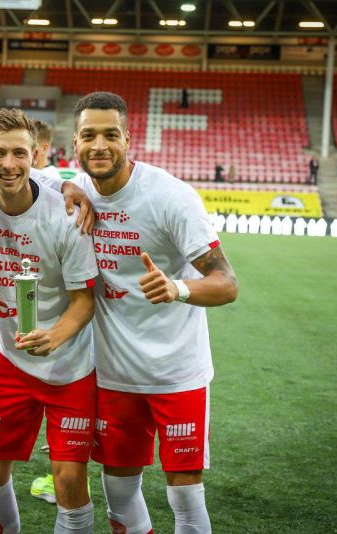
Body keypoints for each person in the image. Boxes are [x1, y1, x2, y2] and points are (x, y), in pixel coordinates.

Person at [70, 92, 238, 533]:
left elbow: (226, 283)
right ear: (75, 142)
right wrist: (69, 187)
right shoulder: (76, 186)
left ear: (129, 139)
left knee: (184, 495)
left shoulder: (170, 196)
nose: (99, 145)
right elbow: (22, 174)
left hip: (175, 373)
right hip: (112, 374)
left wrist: (177, 287)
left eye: (110, 134)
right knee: (118, 491)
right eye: (89, 135)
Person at [0, 108, 99, 533]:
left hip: (71, 367)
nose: (8, 164)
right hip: (11, 361)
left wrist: (56, 335)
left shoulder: (65, 215)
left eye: (18, 153)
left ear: (35, 156)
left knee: (68, 481)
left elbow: (86, 300)